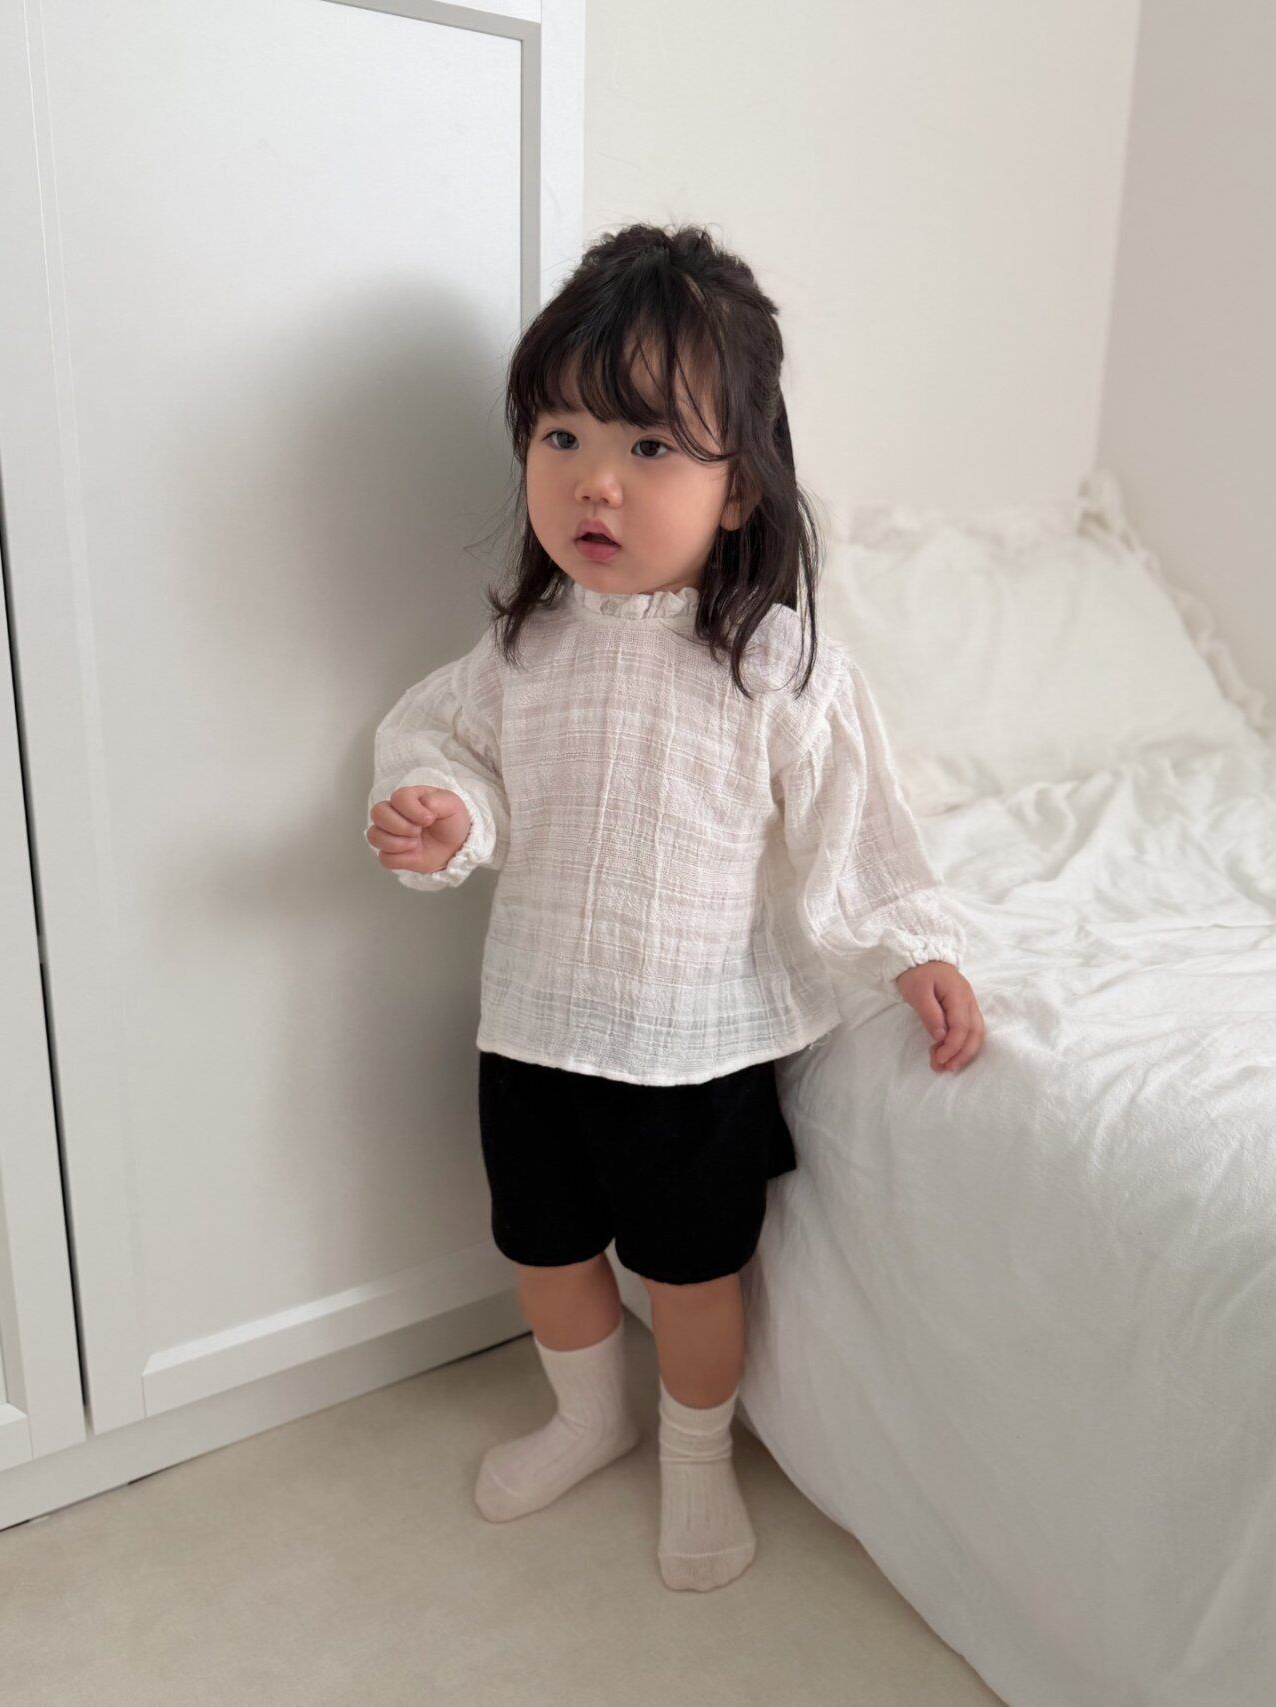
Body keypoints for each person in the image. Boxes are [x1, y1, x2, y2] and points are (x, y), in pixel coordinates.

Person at [365, 222, 985, 1593]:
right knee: (544, 1250)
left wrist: (915, 943)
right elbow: (447, 748)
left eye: (650, 446)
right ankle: (589, 1418)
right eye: (563, 436)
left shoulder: (774, 662)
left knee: (696, 1276)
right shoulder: (518, 652)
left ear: (739, 485)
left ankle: (696, 1460)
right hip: (534, 1024)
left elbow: (854, 821)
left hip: (689, 1049)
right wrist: (444, 812)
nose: (595, 479)